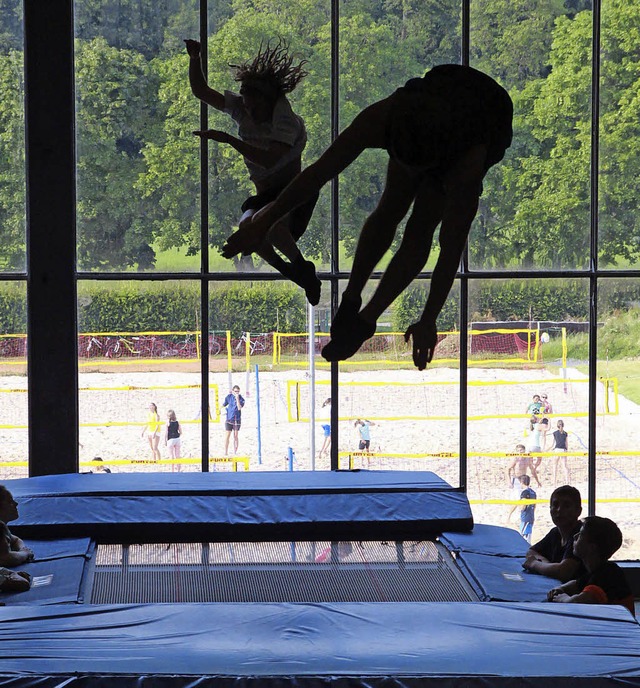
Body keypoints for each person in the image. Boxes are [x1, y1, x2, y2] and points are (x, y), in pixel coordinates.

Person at [222, 64, 513, 368]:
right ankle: (352, 300)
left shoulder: (465, 167)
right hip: (431, 111)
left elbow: (451, 247)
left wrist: (429, 318)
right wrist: (263, 224)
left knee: (421, 225)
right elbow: (319, 172)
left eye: (418, 167)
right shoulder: (386, 116)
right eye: (405, 162)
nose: (412, 174)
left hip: (478, 125)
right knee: (391, 205)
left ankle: (366, 320)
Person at [185, 38, 321, 304]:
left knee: (258, 226)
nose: (249, 111)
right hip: (265, 195)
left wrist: (229, 140)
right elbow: (201, 91)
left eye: (254, 106)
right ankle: (297, 272)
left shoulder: (286, 121)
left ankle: (300, 267)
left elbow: (269, 161)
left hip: (292, 193)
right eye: (246, 105)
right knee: (248, 226)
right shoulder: (242, 108)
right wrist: (194, 58)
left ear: (268, 100)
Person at [547, 516, 634, 616]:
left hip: (618, 628)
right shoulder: (596, 569)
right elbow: (576, 583)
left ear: (591, 548)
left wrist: (561, 598)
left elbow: (576, 603)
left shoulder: (608, 574)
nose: (575, 536)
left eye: (580, 535)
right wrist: (561, 588)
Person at [522, 485, 585, 582]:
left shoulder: (581, 536)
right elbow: (531, 552)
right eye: (555, 505)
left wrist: (534, 564)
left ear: (578, 511)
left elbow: (564, 572)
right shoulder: (556, 532)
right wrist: (548, 566)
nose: (559, 510)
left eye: (566, 506)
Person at [0, 485, 35, 568]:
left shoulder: (2, 527)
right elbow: (5, 558)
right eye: (10, 502)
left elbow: (15, 540)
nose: (16, 503)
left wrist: (23, 549)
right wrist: (24, 554)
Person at [506, 443, 541, 522]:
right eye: (518, 450)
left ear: (524, 450)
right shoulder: (515, 459)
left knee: (522, 499)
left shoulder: (527, 459)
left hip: (524, 480)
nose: (520, 452)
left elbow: (532, 470)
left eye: (521, 450)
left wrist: (537, 481)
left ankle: (514, 516)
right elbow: (507, 469)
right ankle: (509, 516)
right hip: (516, 480)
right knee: (519, 499)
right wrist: (509, 481)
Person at [222, 385, 245, 455]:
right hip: (229, 418)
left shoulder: (241, 399)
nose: (236, 393)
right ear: (232, 391)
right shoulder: (229, 397)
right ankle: (225, 452)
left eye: (238, 391)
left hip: (236, 419)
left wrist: (237, 398)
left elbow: (239, 408)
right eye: (235, 391)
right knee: (227, 435)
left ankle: (235, 452)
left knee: (235, 436)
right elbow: (224, 404)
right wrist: (220, 409)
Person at [549, 419, 570, 485]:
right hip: (563, 450)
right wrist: (567, 450)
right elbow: (566, 443)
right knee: (564, 466)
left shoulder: (555, 433)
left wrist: (550, 449)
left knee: (555, 466)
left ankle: (554, 482)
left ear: (557, 426)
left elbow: (553, 444)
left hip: (557, 449)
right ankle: (567, 481)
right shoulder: (565, 433)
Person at [518, 475, 537, 544]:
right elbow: (534, 506)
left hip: (525, 518)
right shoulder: (533, 492)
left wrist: (520, 508)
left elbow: (523, 506)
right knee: (528, 537)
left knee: (524, 540)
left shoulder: (525, 492)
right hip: (531, 517)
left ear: (521, 482)